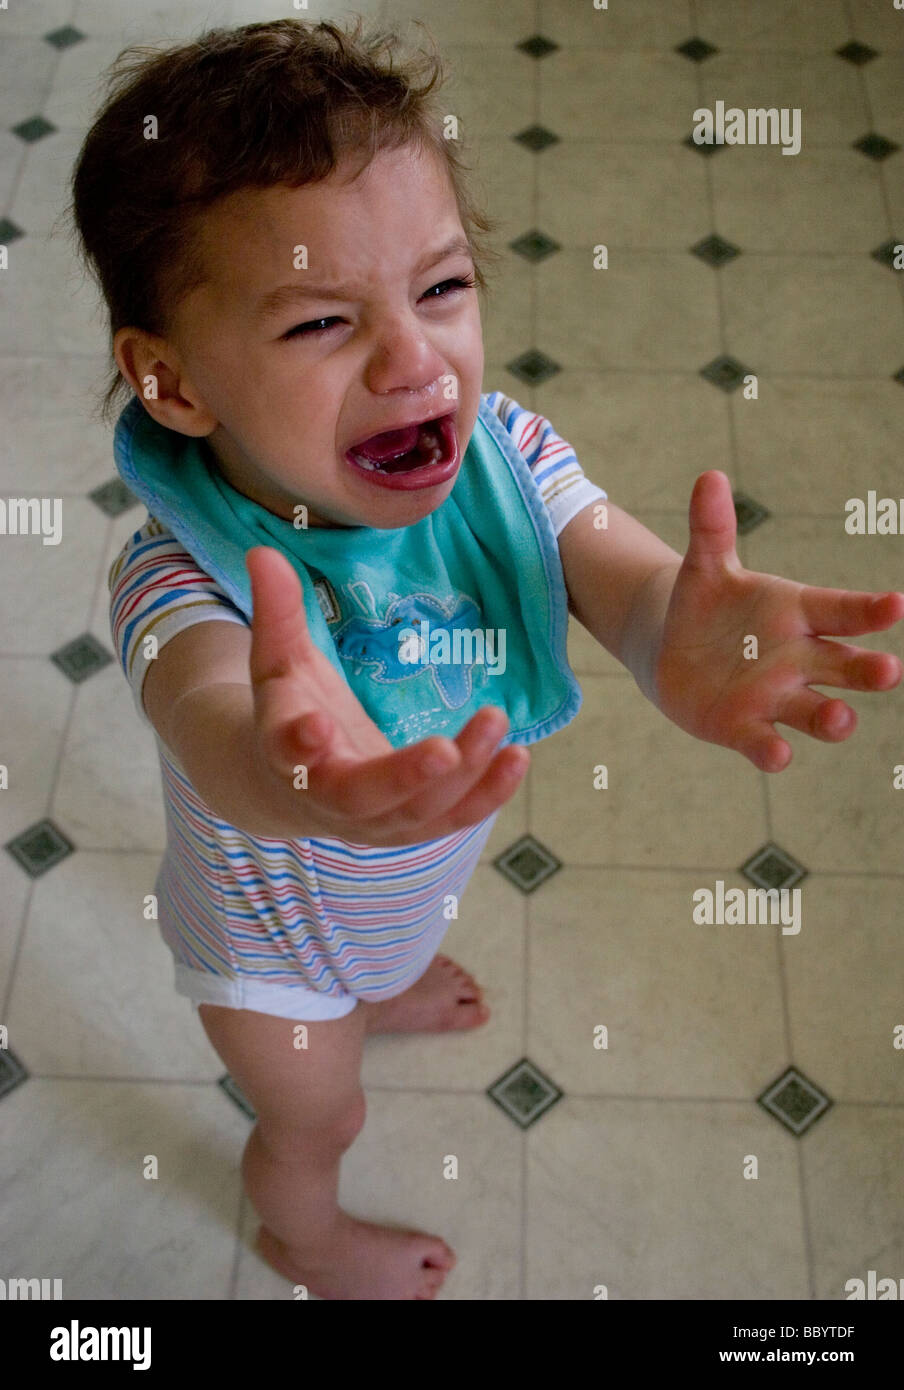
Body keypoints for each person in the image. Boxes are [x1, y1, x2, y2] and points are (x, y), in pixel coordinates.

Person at [69, 17, 904, 1300]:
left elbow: (610, 574)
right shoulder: (182, 572)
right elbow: (213, 718)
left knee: (394, 950)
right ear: (171, 381)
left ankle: (385, 982)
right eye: (317, 325)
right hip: (272, 941)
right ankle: (301, 1232)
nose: (416, 363)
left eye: (443, 288)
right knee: (318, 1114)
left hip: (405, 879)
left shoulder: (503, 455)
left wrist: (667, 629)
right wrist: (292, 775)